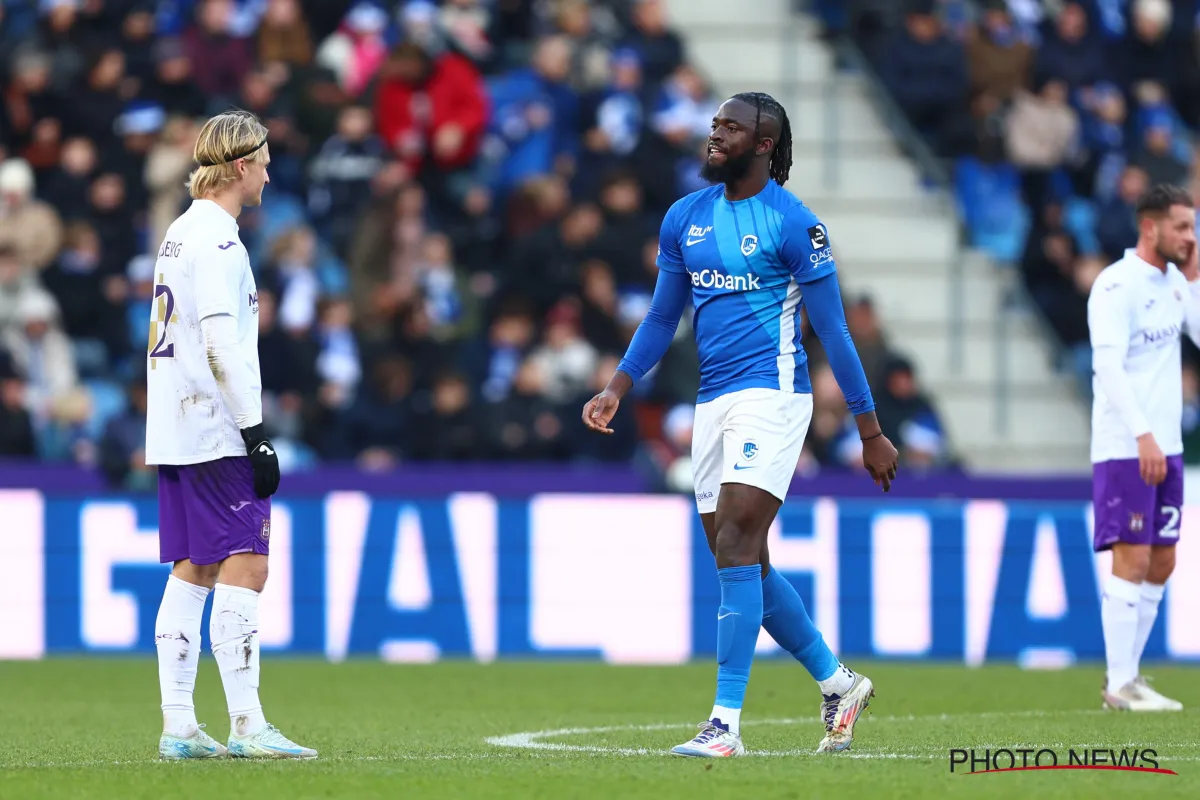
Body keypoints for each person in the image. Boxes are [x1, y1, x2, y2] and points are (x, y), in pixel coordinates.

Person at [581, 92, 899, 757]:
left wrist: (869, 429)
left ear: (764, 144)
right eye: (714, 124)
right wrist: (617, 385)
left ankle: (725, 724)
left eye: (730, 127)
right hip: (713, 401)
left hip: (775, 395)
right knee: (742, 560)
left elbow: (834, 329)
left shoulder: (794, 224)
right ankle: (839, 683)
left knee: (734, 540)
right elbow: (664, 316)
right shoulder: (685, 217)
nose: (714, 133)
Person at [145, 109, 317, 759]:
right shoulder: (218, 240)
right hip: (215, 426)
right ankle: (247, 725)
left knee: (195, 567)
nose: (270, 174)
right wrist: (256, 433)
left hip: (174, 421)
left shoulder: (179, 234)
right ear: (241, 165)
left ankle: (180, 725)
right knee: (249, 560)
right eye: (265, 162)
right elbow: (220, 343)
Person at [1087, 183, 1197, 712]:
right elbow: (1107, 367)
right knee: (1131, 558)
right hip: (1126, 445)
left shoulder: (1176, 281)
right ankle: (1119, 682)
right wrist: (1141, 434)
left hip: (1167, 446)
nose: (1190, 236)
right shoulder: (1115, 286)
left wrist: (1194, 280)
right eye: (1182, 226)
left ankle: (1128, 679)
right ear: (1150, 226)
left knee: (1163, 561)